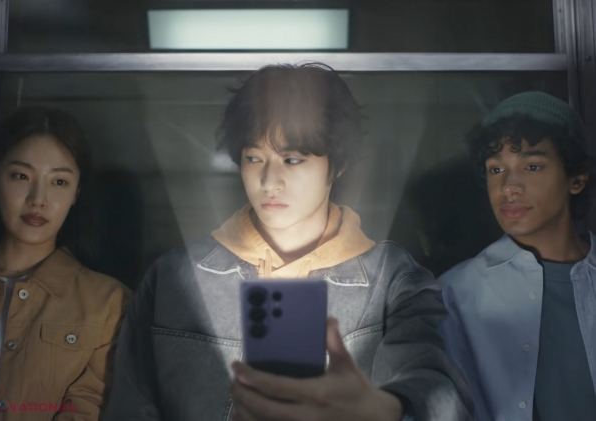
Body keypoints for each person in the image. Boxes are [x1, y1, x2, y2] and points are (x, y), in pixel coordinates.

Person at [105, 63, 472, 421]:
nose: (269, 181)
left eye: (292, 160)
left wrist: (387, 408)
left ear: (338, 164)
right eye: (254, 157)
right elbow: (129, 405)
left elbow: (441, 392)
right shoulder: (176, 276)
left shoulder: (391, 281)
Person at [439, 91, 596, 421]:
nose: (509, 186)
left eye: (532, 166)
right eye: (496, 169)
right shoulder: (454, 294)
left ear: (577, 177)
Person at [0, 107, 132, 421]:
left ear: (76, 193)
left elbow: (88, 409)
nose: (38, 199)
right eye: (21, 176)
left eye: (59, 182)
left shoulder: (108, 304)